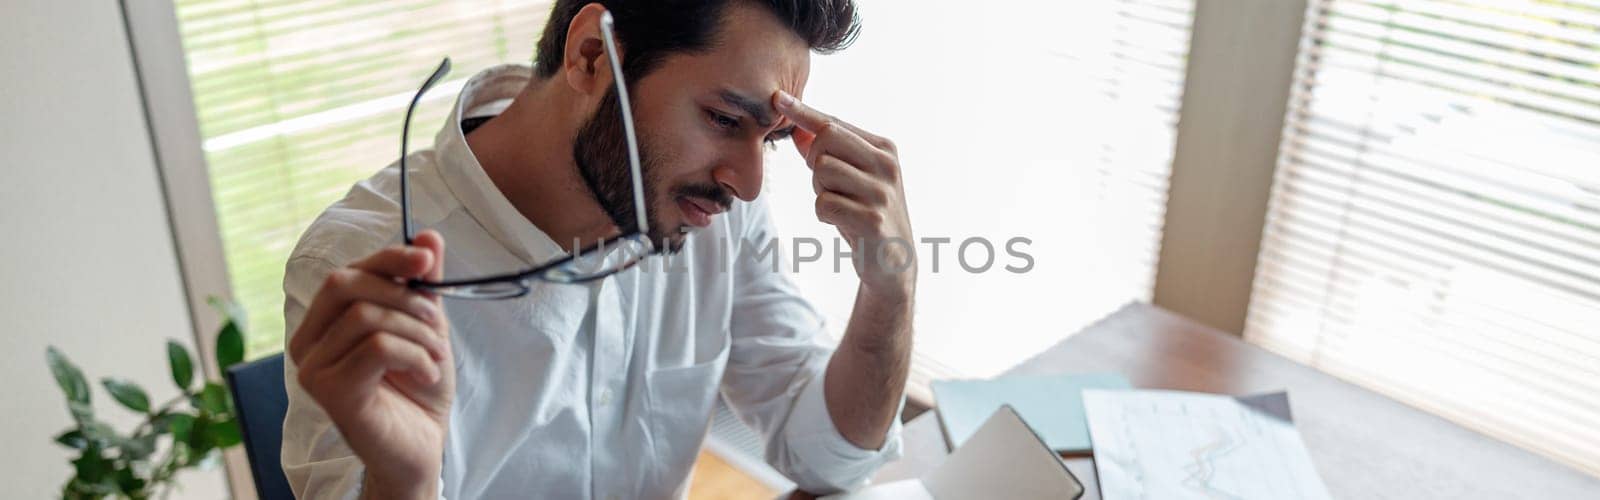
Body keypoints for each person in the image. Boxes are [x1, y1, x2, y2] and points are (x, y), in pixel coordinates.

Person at [281, 1, 915, 498]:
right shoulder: (358, 262)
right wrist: (407, 486)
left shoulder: (705, 213)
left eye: (771, 138)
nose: (746, 184)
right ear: (590, 56)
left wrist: (892, 288)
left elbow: (830, 457)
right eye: (724, 119)